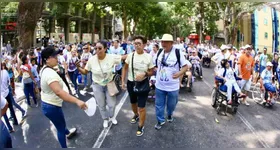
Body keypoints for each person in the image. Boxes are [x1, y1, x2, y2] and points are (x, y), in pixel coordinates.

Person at [40, 46, 87, 148]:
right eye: (54, 56)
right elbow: (59, 92)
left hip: (49, 105)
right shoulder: (49, 74)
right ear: (47, 59)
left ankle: (68, 132)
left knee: (60, 123)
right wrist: (77, 101)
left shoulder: (46, 69)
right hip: (52, 106)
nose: (57, 57)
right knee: (60, 128)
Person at [76, 41, 126, 128]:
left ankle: (112, 116)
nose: (97, 50)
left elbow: (123, 57)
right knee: (101, 105)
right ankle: (105, 119)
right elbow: (85, 72)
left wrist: (137, 53)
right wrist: (78, 67)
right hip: (97, 85)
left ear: (105, 49)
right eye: (96, 48)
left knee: (112, 104)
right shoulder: (92, 60)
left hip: (109, 84)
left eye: (100, 48)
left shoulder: (111, 57)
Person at [154, 34, 190, 130]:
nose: (163, 44)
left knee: (171, 104)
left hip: (173, 87)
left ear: (171, 43)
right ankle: (160, 120)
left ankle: (169, 114)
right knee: (159, 105)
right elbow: (154, 65)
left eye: (166, 42)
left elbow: (186, 66)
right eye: (162, 42)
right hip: (160, 85)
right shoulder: (160, 52)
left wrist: (179, 73)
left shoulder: (178, 52)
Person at [122, 35, 154, 136]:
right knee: (133, 103)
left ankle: (141, 125)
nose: (137, 46)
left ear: (144, 45)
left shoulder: (148, 57)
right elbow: (125, 68)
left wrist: (144, 74)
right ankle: (136, 115)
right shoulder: (130, 56)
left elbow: (151, 71)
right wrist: (123, 81)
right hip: (131, 83)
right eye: (135, 44)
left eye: (139, 44)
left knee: (142, 107)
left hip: (143, 84)